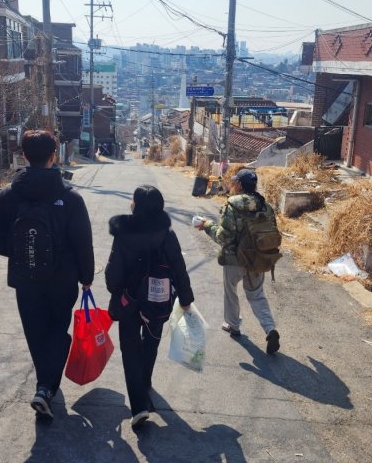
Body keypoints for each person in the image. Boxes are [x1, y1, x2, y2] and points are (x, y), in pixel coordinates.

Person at [0, 130, 94, 420]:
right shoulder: (70, 198)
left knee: (35, 332)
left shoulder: (7, 197)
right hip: (63, 280)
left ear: (24, 156)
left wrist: (25, 252)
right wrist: (87, 277)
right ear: (53, 156)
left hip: (26, 278)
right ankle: (45, 387)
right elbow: (82, 241)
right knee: (57, 331)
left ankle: (44, 385)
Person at [105, 185, 195, 429]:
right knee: (151, 342)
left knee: (130, 350)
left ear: (136, 205)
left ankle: (139, 405)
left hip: (129, 301)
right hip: (158, 301)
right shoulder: (167, 234)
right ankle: (144, 384)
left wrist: (116, 290)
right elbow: (179, 268)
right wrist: (186, 298)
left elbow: (113, 276)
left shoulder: (124, 233)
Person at [196, 168, 280, 355]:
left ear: (240, 185)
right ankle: (270, 329)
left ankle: (233, 325)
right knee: (257, 295)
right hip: (257, 259)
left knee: (231, 291)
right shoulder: (265, 206)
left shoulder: (232, 205)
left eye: (235, 182)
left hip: (234, 259)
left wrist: (207, 225)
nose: (232, 184)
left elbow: (224, 237)